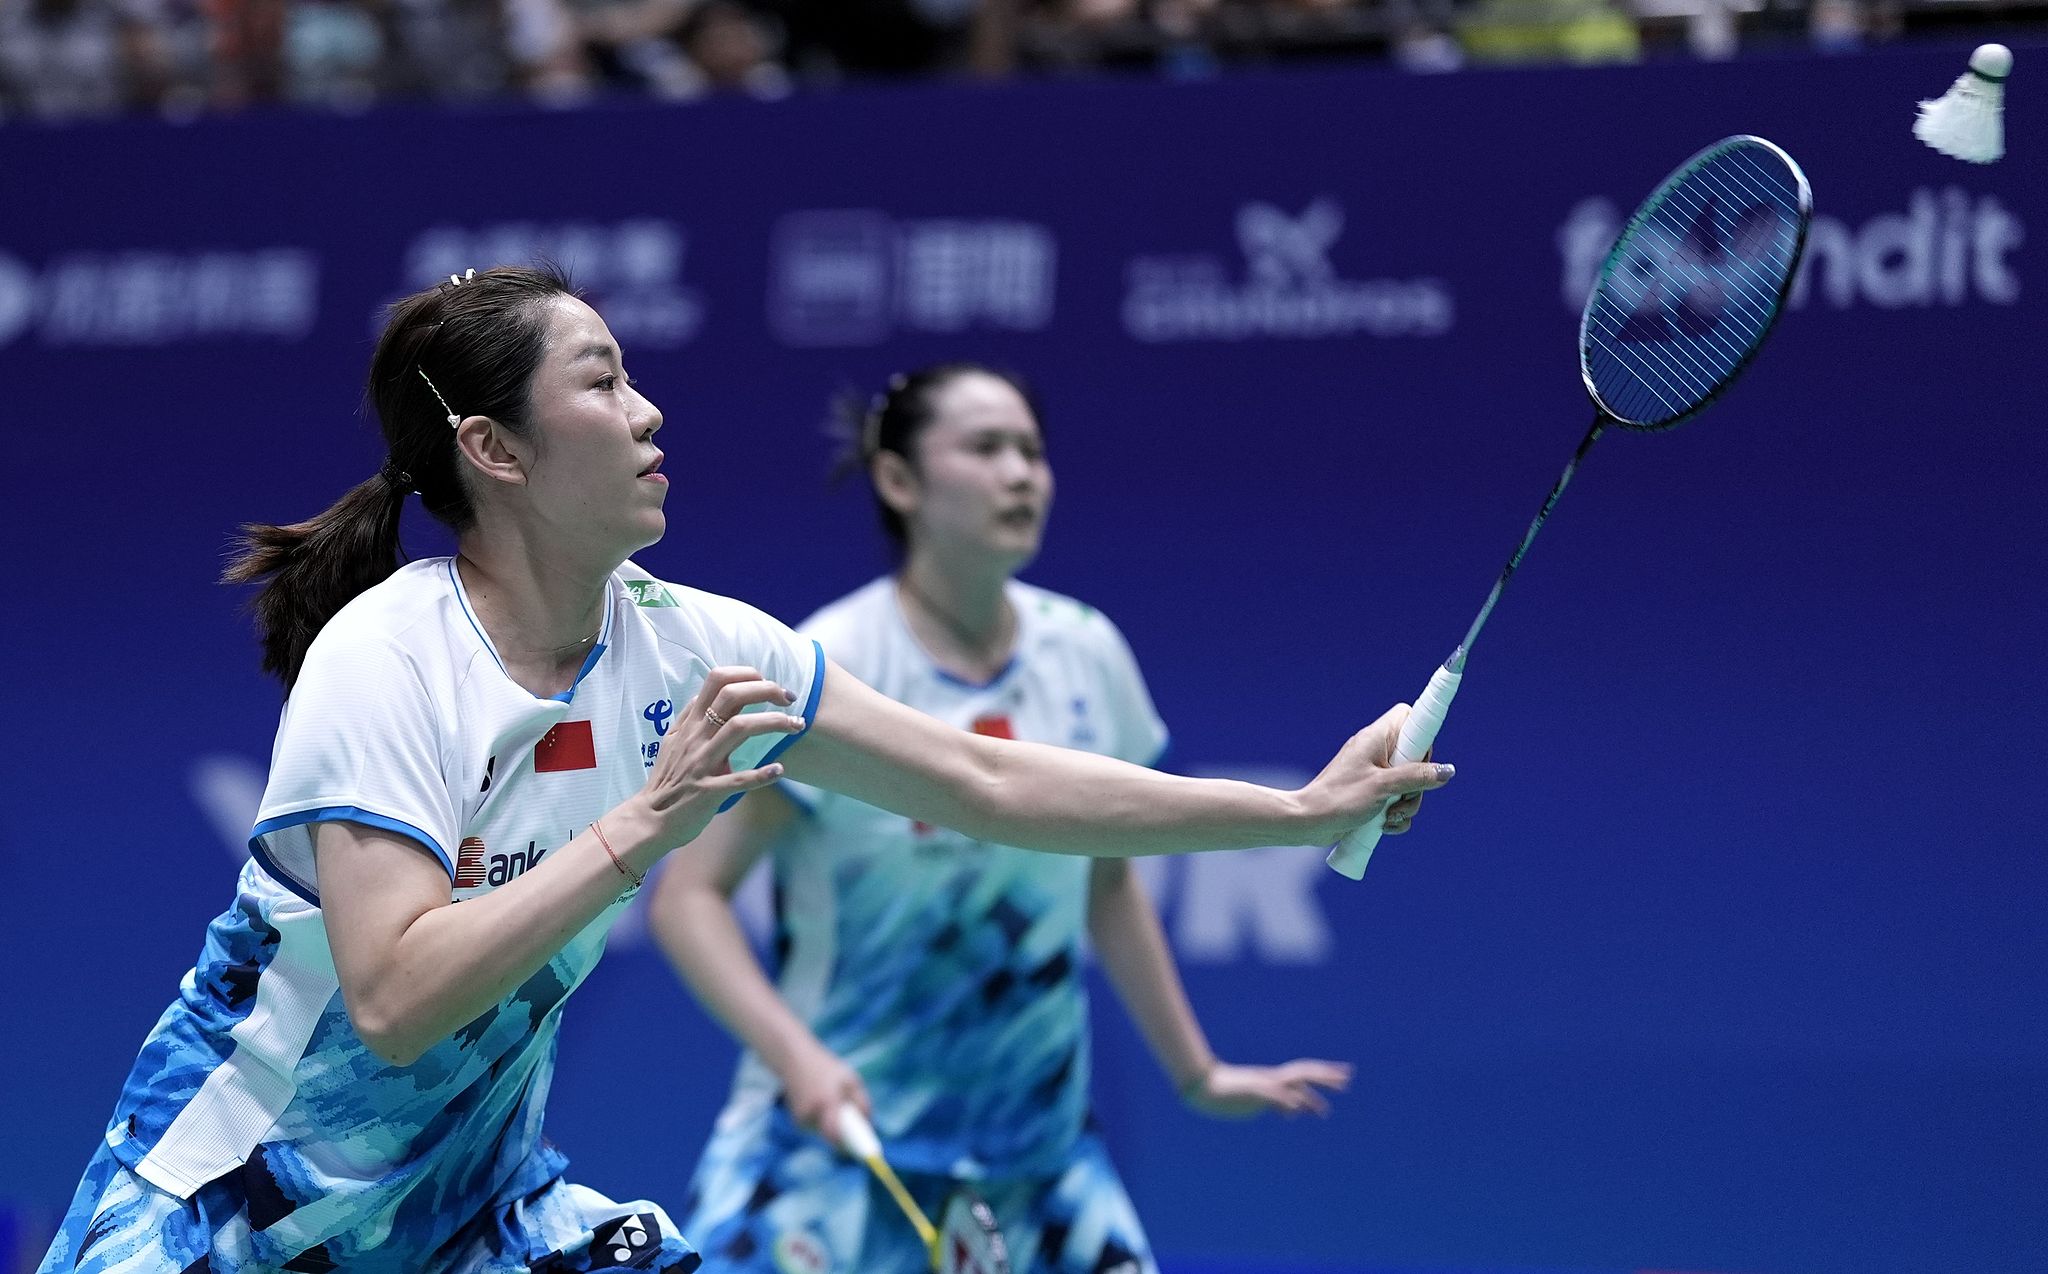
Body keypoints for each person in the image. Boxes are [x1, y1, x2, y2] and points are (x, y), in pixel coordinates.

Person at [38, 266, 1452, 1274]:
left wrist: (1297, 809)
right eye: (602, 382)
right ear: (492, 448)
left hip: (475, 1217)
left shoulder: (697, 645)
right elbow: (395, 998)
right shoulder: (392, 656)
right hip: (222, 1208)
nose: (650, 411)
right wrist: (643, 826)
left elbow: (991, 785)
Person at [651, 363, 1394, 1274]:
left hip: (1034, 1154)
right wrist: (795, 1058)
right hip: (837, 1145)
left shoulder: (1086, 653)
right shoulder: (834, 665)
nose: (1021, 474)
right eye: (986, 448)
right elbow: (689, 898)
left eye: (1033, 452)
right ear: (899, 481)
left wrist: (1196, 1071)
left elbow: (1109, 878)